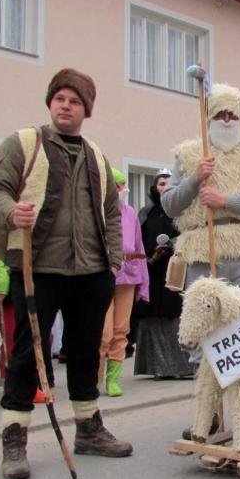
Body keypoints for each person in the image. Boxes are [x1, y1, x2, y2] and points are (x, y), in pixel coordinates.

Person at [0, 68, 132, 479]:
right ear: (50, 103)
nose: (66, 106)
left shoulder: (97, 156)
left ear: (87, 109)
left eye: (75, 100)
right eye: (60, 98)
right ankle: (14, 440)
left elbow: (111, 214)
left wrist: (113, 260)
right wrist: (11, 211)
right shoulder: (22, 144)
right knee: (30, 354)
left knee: (86, 352)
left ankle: (89, 429)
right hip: (37, 268)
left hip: (92, 271)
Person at [162, 83, 240, 428]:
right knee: (204, 329)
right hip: (202, 246)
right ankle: (208, 415)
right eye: (220, 114)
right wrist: (195, 179)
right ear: (209, 116)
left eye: (233, 114)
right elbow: (169, 204)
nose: (226, 120)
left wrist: (226, 201)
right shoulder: (188, 154)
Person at [133, 169, 194, 380]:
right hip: (152, 271)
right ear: (154, 187)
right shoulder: (146, 212)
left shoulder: (183, 211)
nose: (164, 188)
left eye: (169, 184)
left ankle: (181, 367)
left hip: (178, 270)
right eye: (161, 184)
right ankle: (156, 367)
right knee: (152, 315)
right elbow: (137, 239)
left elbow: (191, 234)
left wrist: (173, 245)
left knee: (175, 313)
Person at [98, 168, 148, 397]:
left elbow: (139, 248)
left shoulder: (130, 214)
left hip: (128, 276)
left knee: (121, 329)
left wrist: (143, 283)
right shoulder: (97, 212)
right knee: (103, 332)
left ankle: (113, 379)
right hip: (104, 276)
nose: (120, 192)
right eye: (116, 187)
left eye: (121, 188)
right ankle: (95, 379)